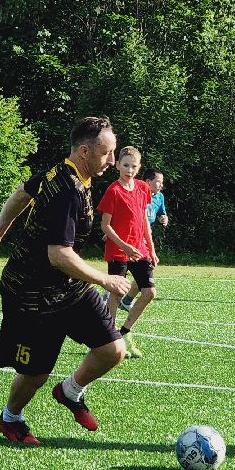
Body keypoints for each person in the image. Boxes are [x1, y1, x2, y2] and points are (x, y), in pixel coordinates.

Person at [0, 116, 132, 446]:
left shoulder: (64, 171)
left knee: (113, 350)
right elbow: (59, 255)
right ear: (85, 152)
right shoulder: (67, 191)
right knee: (35, 374)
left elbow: (22, 193)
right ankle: (11, 418)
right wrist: (105, 280)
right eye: (107, 153)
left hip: (68, 286)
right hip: (32, 292)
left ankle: (70, 391)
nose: (112, 161)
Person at [98, 146, 159, 358]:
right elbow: (105, 226)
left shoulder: (143, 188)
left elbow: (144, 221)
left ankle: (124, 333)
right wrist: (124, 246)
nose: (129, 170)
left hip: (140, 250)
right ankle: (109, 339)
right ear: (117, 165)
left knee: (149, 292)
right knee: (115, 294)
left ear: (139, 167)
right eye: (125, 165)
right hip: (119, 251)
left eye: (134, 166)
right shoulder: (113, 191)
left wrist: (151, 248)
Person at [120, 170, 168, 310]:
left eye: (161, 182)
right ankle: (108, 299)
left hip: (145, 241)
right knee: (121, 271)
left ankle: (126, 301)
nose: (161, 185)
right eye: (158, 181)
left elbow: (162, 213)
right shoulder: (136, 194)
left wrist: (163, 218)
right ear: (148, 182)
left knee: (145, 272)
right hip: (130, 239)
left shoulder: (159, 197)